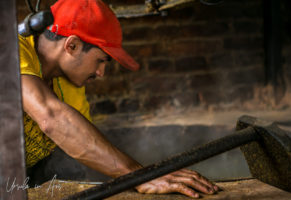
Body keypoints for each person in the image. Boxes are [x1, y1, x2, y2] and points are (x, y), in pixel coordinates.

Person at [20, 0, 220, 197]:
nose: (101, 73)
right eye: (100, 61)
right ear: (72, 45)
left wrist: (143, 176)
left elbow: (83, 146)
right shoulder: (11, 50)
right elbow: (52, 117)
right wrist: (139, 176)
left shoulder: (69, 85)